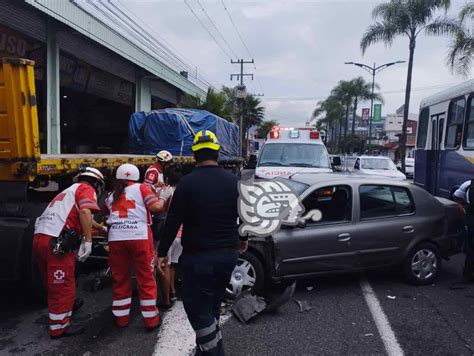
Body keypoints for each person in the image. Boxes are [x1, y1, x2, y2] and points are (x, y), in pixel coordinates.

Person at [157, 130, 248, 356]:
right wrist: (244, 238)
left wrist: (162, 252)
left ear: (194, 156)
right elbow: (246, 213)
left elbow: (172, 220)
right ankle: (205, 350)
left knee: (197, 308)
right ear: (217, 153)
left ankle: (214, 352)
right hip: (228, 255)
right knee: (213, 304)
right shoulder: (233, 181)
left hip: (199, 258)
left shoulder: (187, 184)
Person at [33, 167, 105, 339]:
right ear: (96, 183)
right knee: (63, 283)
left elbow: (85, 218)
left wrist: (101, 228)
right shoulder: (87, 188)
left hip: (41, 238)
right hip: (57, 243)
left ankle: (67, 306)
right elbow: (85, 212)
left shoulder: (69, 191)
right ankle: (59, 327)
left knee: (51, 281)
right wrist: (88, 241)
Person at [103, 163, 162, 330]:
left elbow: (107, 216)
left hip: (116, 239)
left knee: (120, 278)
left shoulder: (110, 195)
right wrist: (165, 198)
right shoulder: (142, 188)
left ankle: (121, 319)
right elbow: (156, 208)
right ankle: (151, 320)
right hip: (139, 237)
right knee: (146, 278)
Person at [154, 167, 183, 310]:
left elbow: (159, 208)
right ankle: (173, 292)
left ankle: (166, 299)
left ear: (167, 179)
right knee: (174, 266)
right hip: (182, 234)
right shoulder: (184, 191)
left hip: (170, 234)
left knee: (164, 265)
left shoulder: (168, 192)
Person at [453, 180, 474, 283]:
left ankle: (467, 274)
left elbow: (456, 196)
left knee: (471, 250)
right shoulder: (469, 185)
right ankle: (468, 274)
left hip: (470, 222)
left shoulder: (469, 184)